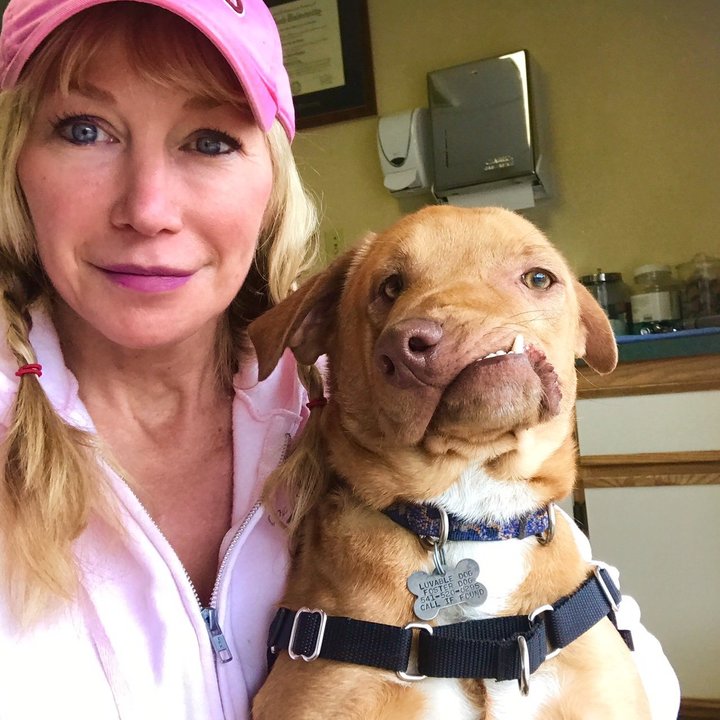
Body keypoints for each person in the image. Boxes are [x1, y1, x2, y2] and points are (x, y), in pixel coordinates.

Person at [0, 1, 679, 719]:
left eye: (209, 141)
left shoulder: (340, 397)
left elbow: (638, 675)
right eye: (84, 130)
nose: (148, 208)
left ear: (272, 183)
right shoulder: (369, 396)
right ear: (15, 165)